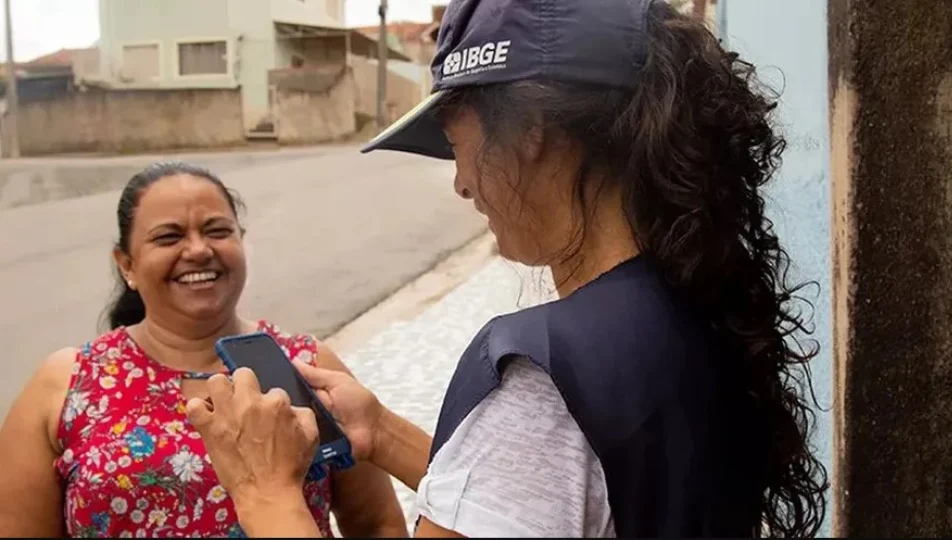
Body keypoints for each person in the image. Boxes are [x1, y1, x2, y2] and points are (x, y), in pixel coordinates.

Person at [187, 0, 829, 537]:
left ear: (533, 133)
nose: (463, 186)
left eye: (460, 149)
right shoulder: (692, 301)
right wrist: (380, 431)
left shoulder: (543, 375)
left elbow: (538, 458)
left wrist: (264, 489)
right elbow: (545, 500)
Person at [0, 162, 408, 538]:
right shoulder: (68, 383)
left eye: (217, 231)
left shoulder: (307, 366)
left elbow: (376, 524)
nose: (198, 250)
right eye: (169, 236)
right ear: (127, 265)